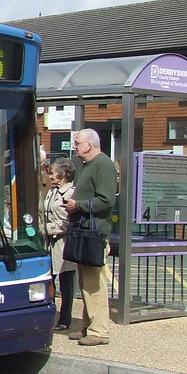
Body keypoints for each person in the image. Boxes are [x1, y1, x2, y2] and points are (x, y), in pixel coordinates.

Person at [63, 129, 118, 346]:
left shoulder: (103, 165)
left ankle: (99, 331)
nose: (74, 146)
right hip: (83, 232)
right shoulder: (88, 165)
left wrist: (79, 205)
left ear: (89, 144)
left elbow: (106, 201)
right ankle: (88, 327)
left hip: (94, 234)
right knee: (86, 282)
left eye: (77, 143)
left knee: (95, 284)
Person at [40, 159, 76, 332]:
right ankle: (50, 315)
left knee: (66, 281)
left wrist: (45, 228)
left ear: (63, 175)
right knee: (50, 282)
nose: (51, 175)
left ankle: (65, 319)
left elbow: (67, 223)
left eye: (53, 172)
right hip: (49, 244)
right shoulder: (52, 191)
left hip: (63, 244)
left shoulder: (71, 193)